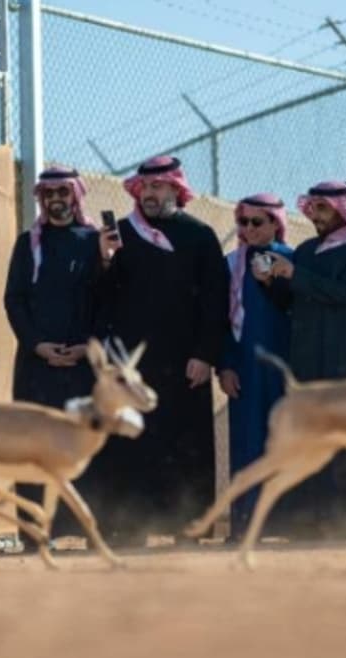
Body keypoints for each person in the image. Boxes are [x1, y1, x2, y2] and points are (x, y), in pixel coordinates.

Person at [88, 156, 229, 545]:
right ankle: (132, 525)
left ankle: (189, 525)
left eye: (157, 187)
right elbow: (101, 298)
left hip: (186, 362)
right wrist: (104, 259)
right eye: (144, 187)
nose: (149, 194)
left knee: (188, 446)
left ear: (175, 189)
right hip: (133, 364)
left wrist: (205, 354)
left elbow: (215, 303)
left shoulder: (200, 236)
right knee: (134, 445)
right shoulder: (120, 235)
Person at [261, 180, 346, 540]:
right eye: (312, 209)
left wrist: (296, 274)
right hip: (308, 358)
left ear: (344, 209)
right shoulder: (308, 249)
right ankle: (309, 520)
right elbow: (295, 301)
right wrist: (273, 282)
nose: (315, 217)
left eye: (322, 209)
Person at [3, 166, 101, 540]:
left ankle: (85, 528)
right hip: (36, 365)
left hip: (82, 365)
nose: (56, 200)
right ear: (41, 199)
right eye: (49, 195)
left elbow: (105, 300)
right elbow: (14, 301)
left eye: (63, 193)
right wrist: (37, 345)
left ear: (75, 196)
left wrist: (87, 346)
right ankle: (33, 531)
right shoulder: (27, 244)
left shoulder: (94, 242)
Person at [216, 194, 295, 541]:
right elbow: (220, 322)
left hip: (282, 367)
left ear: (275, 224)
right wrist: (226, 367)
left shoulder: (292, 261)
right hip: (244, 368)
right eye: (243, 223)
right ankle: (245, 526)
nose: (248, 230)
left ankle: (285, 525)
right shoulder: (229, 264)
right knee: (247, 443)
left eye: (256, 222)